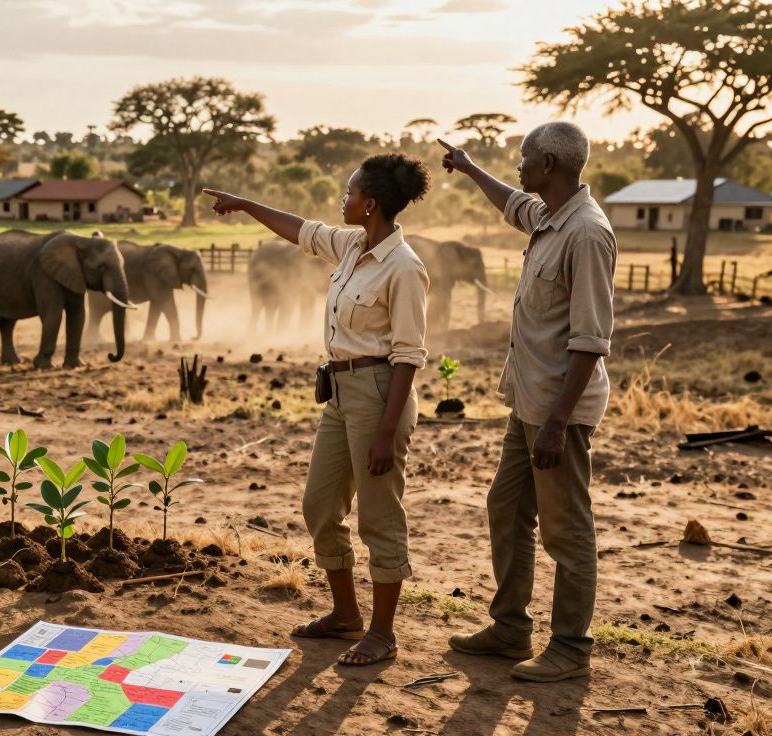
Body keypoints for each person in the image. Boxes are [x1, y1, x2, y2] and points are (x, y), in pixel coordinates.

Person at [203, 153, 430, 666]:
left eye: (349, 193)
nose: (342, 200)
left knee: (379, 516)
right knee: (320, 506)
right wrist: (244, 205)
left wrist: (385, 432)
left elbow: (409, 356)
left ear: (369, 204)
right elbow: (300, 230)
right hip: (341, 392)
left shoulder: (404, 268)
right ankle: (345, 614)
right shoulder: (352, 245)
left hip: (379, 395)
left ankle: (382, 633)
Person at [439, 123, 616, 682]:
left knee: (566, 528)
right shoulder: (547, 215)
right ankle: (510, 628)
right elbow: (511, 202)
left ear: (551, 163)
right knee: (507, 507)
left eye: (524, 157)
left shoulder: (587, 233)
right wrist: (468, 169)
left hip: (558, 411)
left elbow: (591, 339)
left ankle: (570, 647)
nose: (518, 165)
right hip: (529, 401)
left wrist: (557, 423)